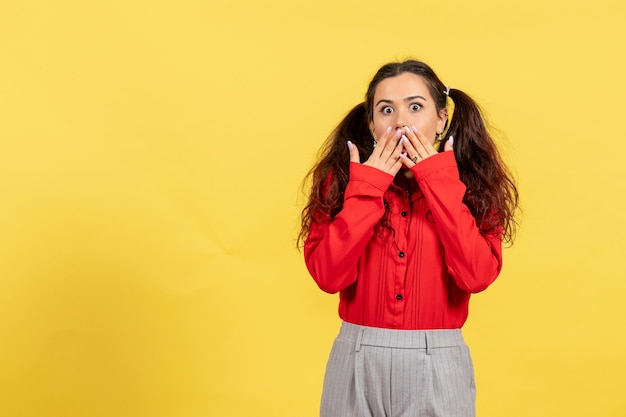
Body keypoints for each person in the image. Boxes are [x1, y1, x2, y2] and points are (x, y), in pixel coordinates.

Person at [298, 60, 519, 417]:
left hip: (439, 359)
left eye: (415, 107)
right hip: (356, 355)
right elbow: (328, 276)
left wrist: (437, 180)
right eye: (386, 110)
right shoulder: (340, 182)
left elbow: (477, 276)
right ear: (372, 124)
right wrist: (367, 188)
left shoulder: (474, 187)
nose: (400, 121)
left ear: (442, 119)